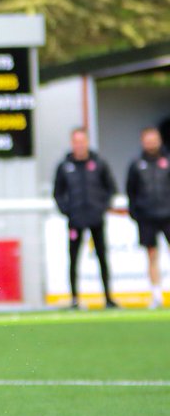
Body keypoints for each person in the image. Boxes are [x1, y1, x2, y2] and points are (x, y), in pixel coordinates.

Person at [53, 127, 118, 309]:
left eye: (82, 141)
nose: (79, 145)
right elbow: (58, 193)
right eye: (76, 141)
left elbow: (110, 188)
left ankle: (107, 297)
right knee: (73, 258)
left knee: (102, 257)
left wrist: (101, 207)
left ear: (87, 142)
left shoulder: (99, 164)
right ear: (72, 143)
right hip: (75, 220)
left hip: (96, 219)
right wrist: (68, 211)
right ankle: (74, 298)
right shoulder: (65, 166)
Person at [125, 126, 170, 308]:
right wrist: (136, 213)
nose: (151, 142)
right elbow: (131, 191)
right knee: (152, 255)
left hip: (168, 214)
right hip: (147, 216)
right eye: (147, 139)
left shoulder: (167, 160)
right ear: (143, 141)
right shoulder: (136, 164)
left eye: (154, 139)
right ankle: (156, 294)